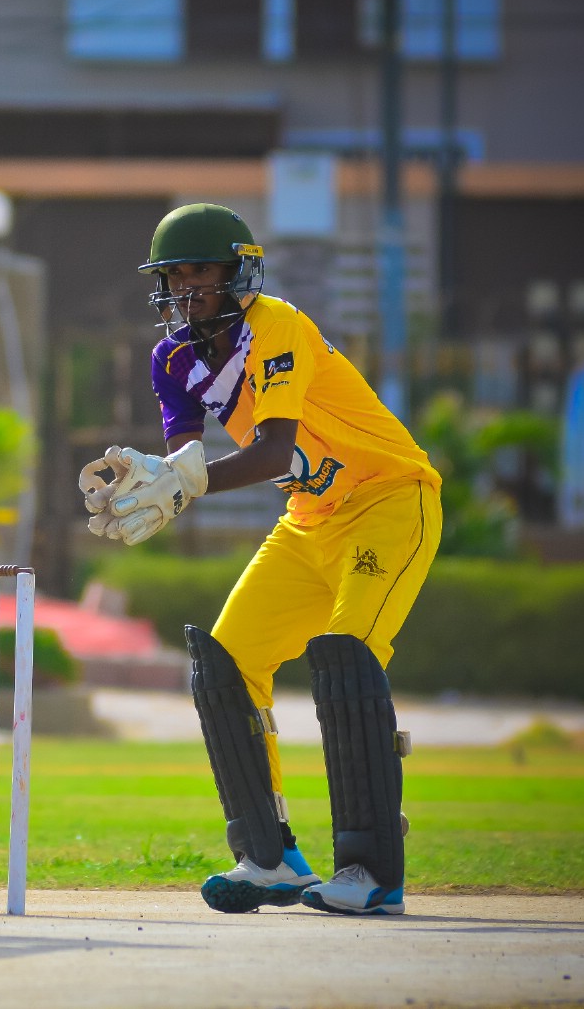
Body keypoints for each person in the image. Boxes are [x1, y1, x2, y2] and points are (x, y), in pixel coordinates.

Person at [80, 203, 441, 916]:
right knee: (226, 664)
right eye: (174, 276)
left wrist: (186, 484)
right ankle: (270, 857)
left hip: (389, 500)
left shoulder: (276, 326)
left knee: (348, 662)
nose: (186, 289)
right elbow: (186, 463)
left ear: (239, 272)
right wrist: (157, 482)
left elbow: (274, 451)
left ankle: (373, 873)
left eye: (202, 272)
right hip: (308, 521)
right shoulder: (172, 360)